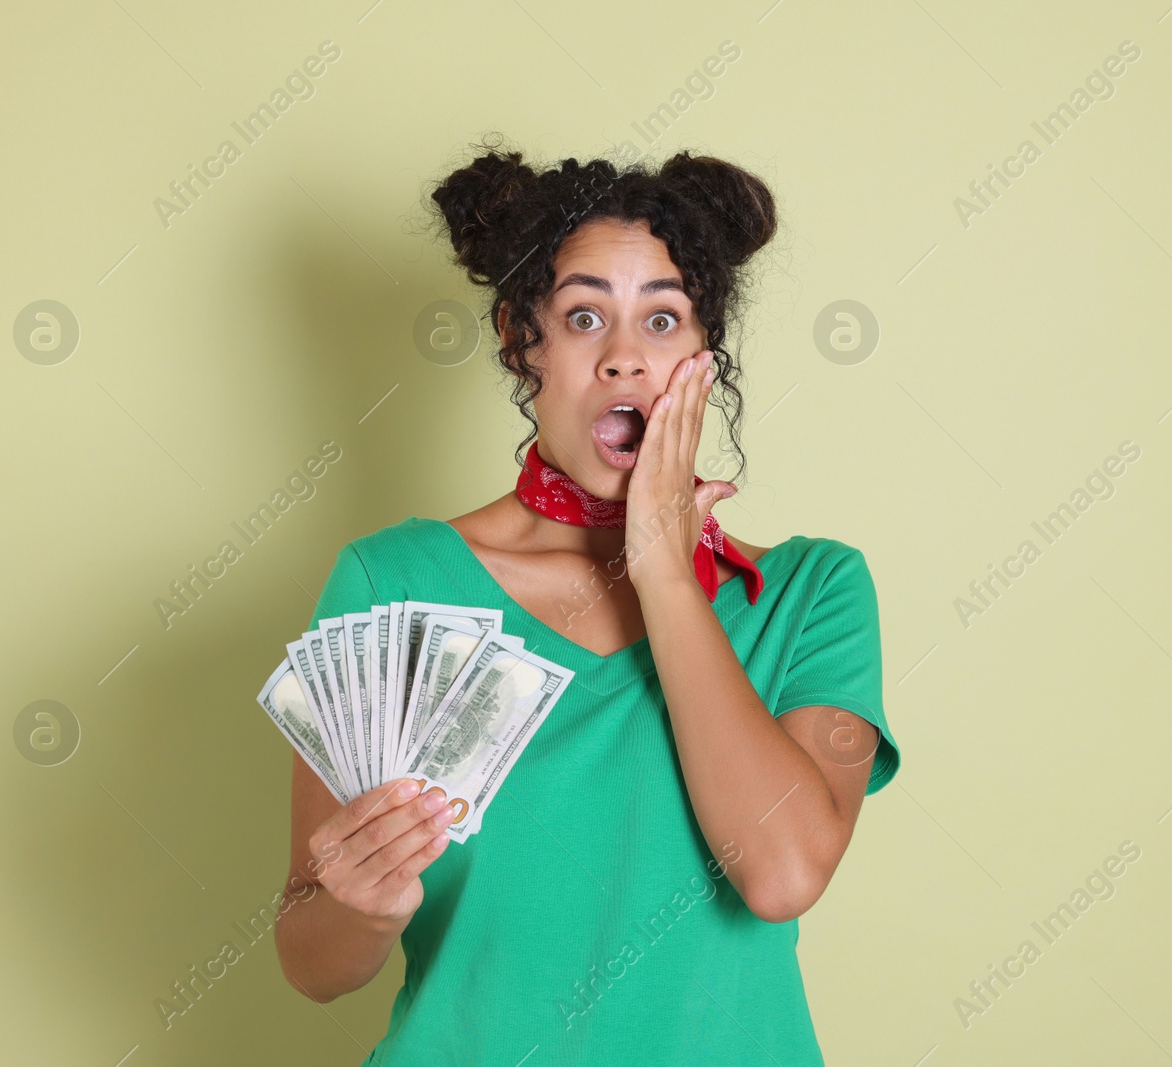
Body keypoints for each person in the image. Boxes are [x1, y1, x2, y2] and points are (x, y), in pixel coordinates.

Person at [273, 138, 900, 1065]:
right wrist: (362, 912)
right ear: (521, 342)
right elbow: (308, 955)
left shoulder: (813, 592)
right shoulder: (393, 585)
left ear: (702, 353)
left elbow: (783, 872)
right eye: (581, 317)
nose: (622, 359)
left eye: (662, 320)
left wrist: (663, 567)